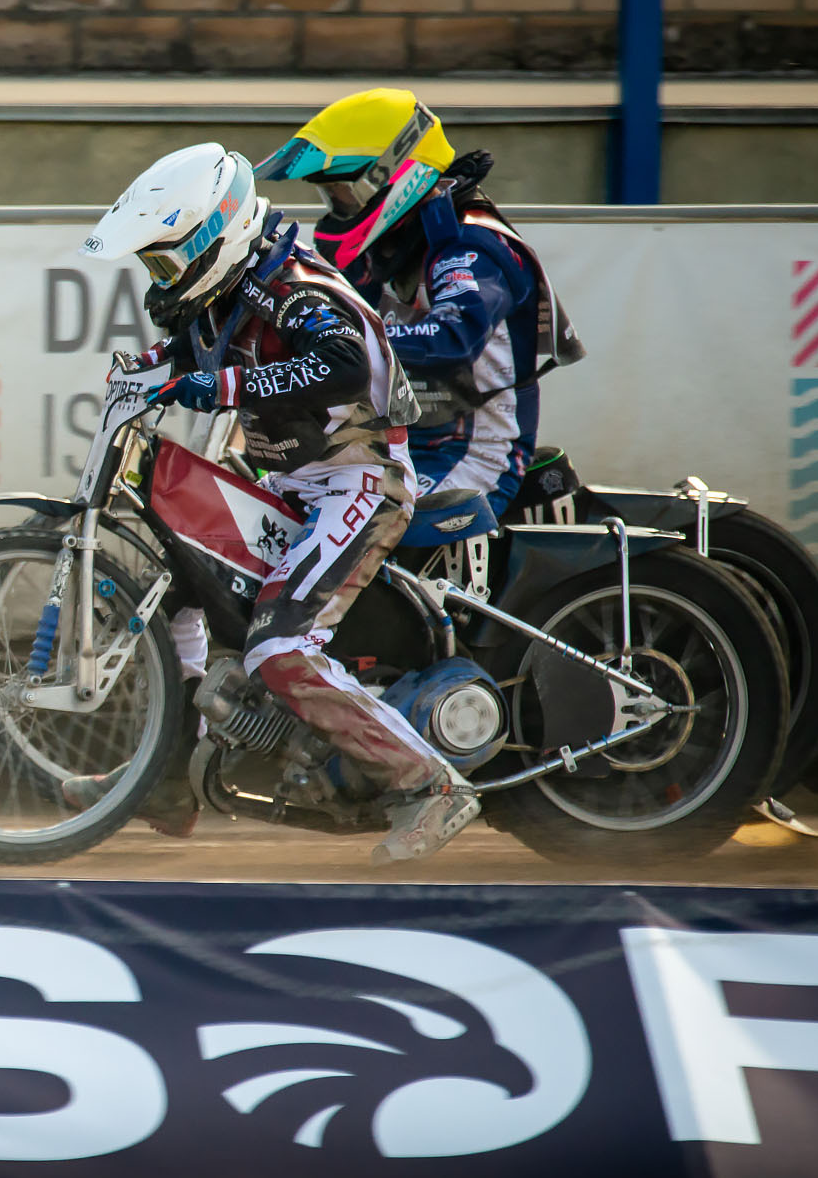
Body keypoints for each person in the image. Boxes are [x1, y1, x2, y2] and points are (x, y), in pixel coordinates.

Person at [80, 142, 480, 866]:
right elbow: (189, 356)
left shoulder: (294, 285)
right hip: (288, 481)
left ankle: (432, 782)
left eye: (169, 261)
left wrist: (223, 389)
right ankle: (166, 778)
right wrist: (144, 371)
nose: (163, 280)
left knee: (279, 647)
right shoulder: (224, 294)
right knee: (178, 586)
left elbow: (343, 362)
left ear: (215, 237)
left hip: (358, 481)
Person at [258, 89, 581, 518]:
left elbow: (453, 337)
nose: (337, 210)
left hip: (475, 454)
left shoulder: (470, 244)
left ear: (392, 174)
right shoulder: (386, 249)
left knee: (361, 526)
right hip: (398, 444)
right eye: (330, 196)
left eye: (343, 193)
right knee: (266, 511)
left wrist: (347, 343)